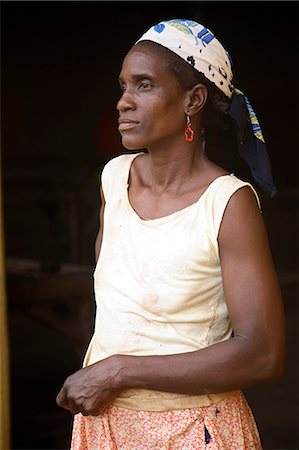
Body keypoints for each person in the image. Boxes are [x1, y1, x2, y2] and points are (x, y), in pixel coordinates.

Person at [56, 19, 285, 449]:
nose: (123, 102)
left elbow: (263, 354)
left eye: (144, 85)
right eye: (123, 86)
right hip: (106, 429)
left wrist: (117, 370)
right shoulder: (115, 179)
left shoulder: (228, 203)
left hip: (193, 430)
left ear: (193, 100)